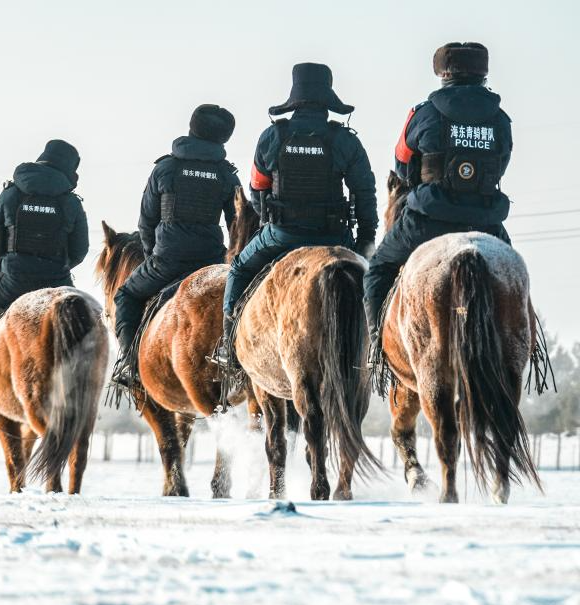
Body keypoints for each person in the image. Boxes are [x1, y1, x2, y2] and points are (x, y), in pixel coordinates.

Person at [215, 63, 377, 370]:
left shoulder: (273, 136)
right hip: (334, 237)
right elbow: (365, 192)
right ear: (328, 101)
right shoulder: (345, 140)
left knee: (237, 268)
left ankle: (228, 347)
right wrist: (365, 239)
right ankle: (378, 346)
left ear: (295, 100)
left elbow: (257, 187)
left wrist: (267, 220)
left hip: (282, 234)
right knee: (373, 283)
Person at [363, 42, 512, 347]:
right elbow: (501, 165)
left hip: (426, 223)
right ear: (483, 74)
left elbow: (402, 166)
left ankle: (378, 345)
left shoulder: (423, 114)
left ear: (443, 74)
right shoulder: (500, 119)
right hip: (486, 224)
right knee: (512, 275)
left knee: (378, 267)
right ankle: (519, 343)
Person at [110, 104, 240, 388]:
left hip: (166, 261)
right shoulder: (227, 175)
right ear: (223, 138)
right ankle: (236, 359)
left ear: (192, 128)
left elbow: (146, 222)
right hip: (211, 263)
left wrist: (151, 257)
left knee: (125, 297)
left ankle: (131, 365)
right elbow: (237, 226)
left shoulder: (165, 168)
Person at [0, 139, 89, 400]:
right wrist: (58, 267)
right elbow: (80, 250)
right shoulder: (71, 203)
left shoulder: (12, 194)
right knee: (85, 327)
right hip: (56, 285)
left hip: (12, 283)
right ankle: (78, 388)